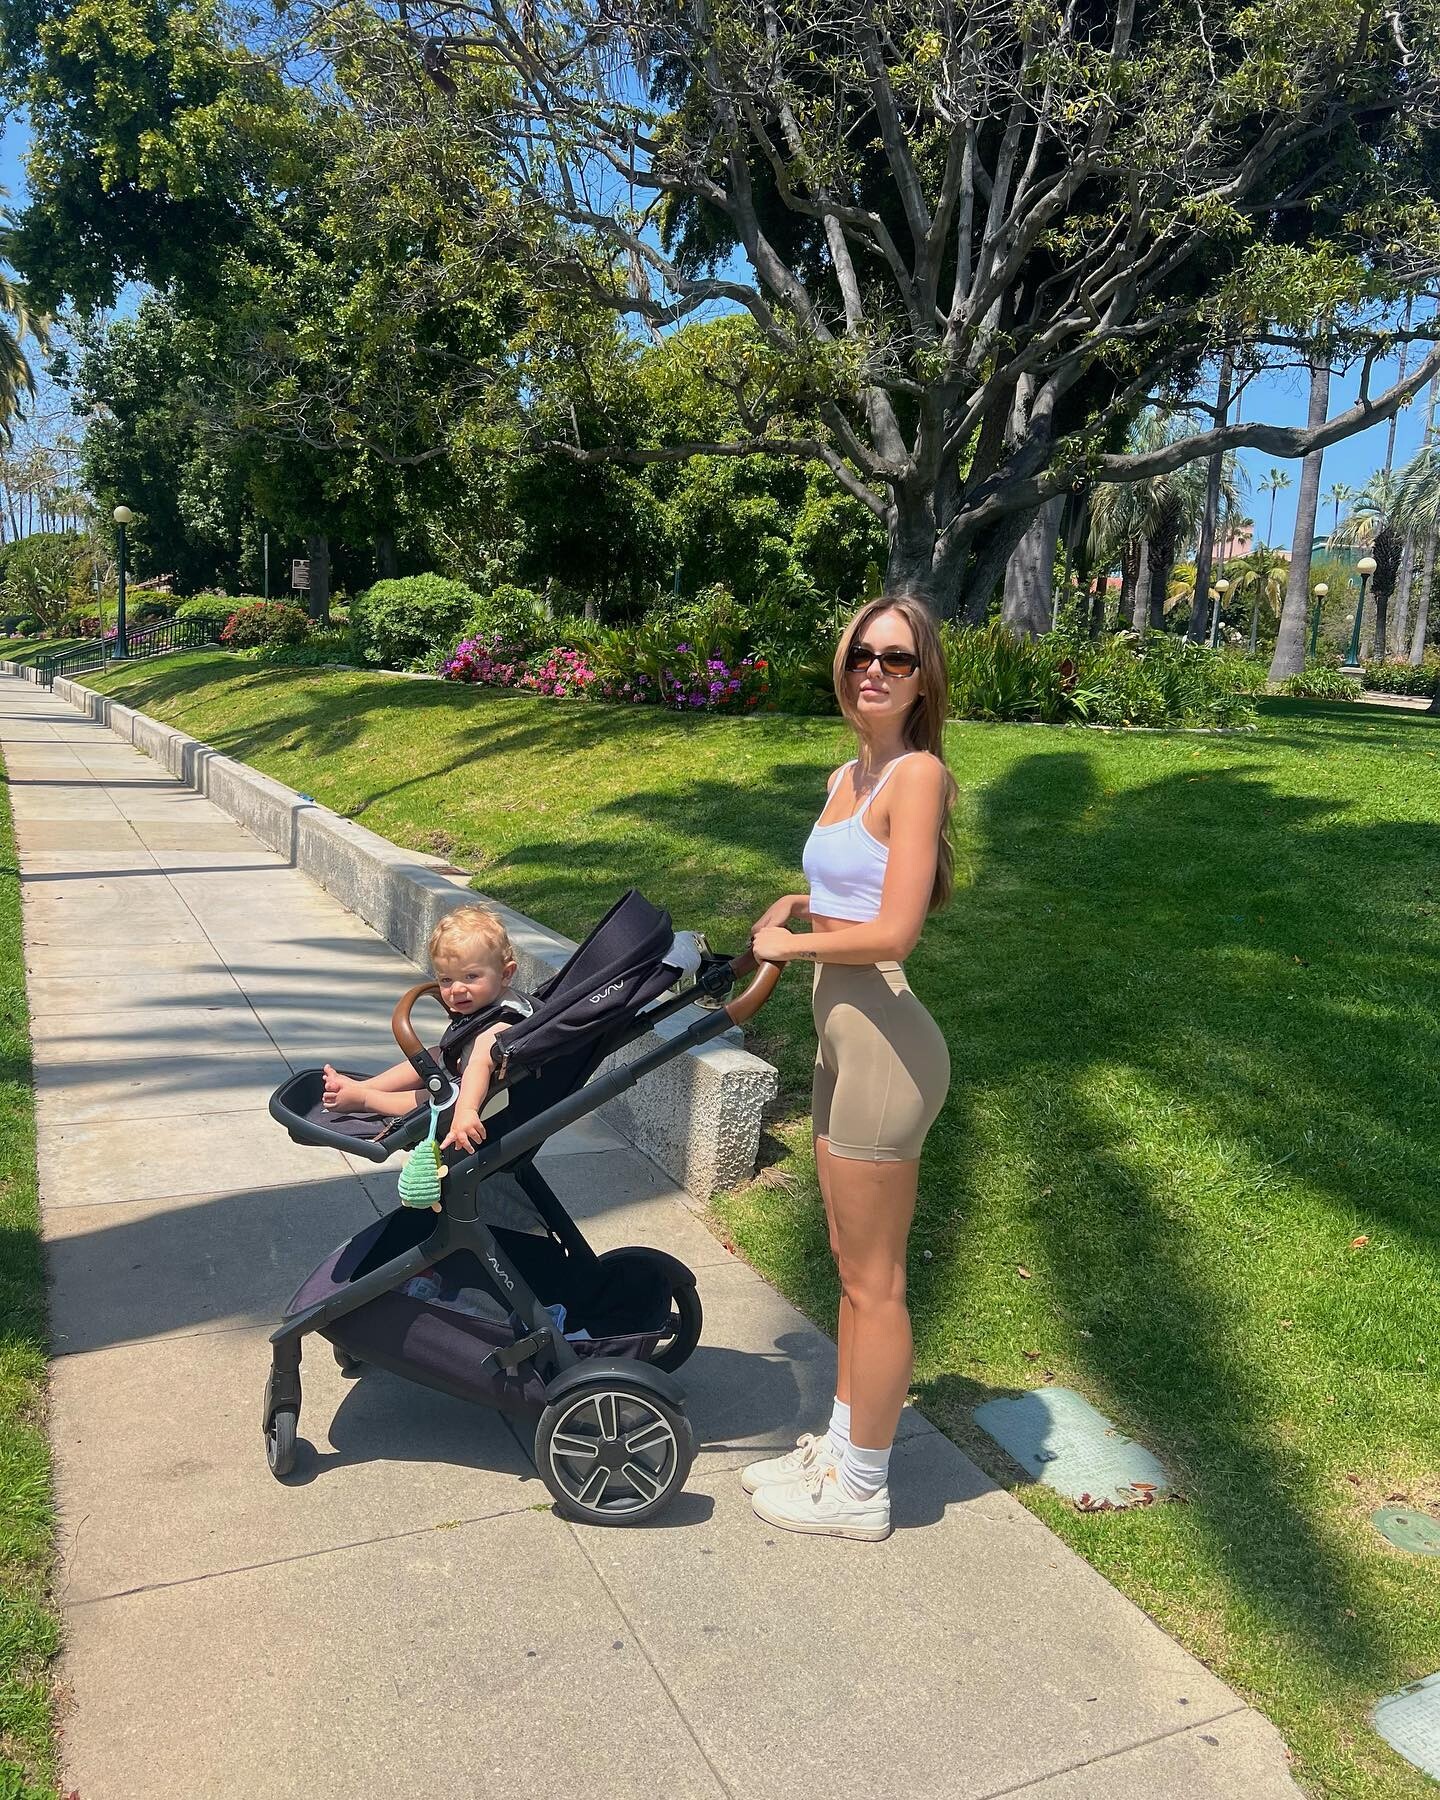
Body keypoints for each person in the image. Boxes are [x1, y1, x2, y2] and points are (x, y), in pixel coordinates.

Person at [743, 595, 956, 1542]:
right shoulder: (847, 774)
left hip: (884, 1047)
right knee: (846, 1260)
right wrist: (799, 905)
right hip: (842, 1035)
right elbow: (848, 890)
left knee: (877, 1280)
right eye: (862, 653)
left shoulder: (917, 774)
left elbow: (896, 931)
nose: (874, 669)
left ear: (922, 679)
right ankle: (838, 1449)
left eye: (896, 659)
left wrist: (792, 947)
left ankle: (863, 1487)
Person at [322, 904, 529, 1154]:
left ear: (506, 974)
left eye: (471, 977)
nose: (457, 989)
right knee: (432, 1055)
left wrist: (466, 1111)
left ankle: (365, 1099)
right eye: (446, 980)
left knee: (432, 1098)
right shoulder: (493, 1001)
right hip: (455, 1071)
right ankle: (365, 1086)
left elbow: (479, 1065)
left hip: (464, 1096)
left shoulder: (500, 1025)